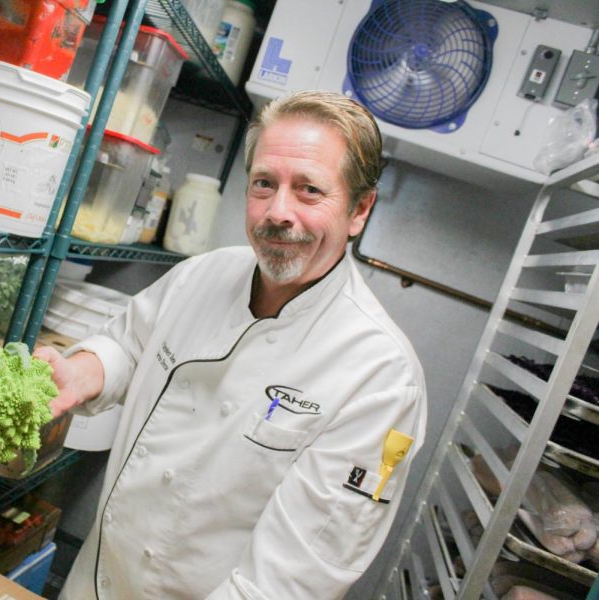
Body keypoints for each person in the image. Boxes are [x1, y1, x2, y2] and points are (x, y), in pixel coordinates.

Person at [35, 90, 428, 599]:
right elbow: (128, 345)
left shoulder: (379, 377)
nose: (278, 212)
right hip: (96, 581)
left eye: (310, 190)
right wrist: (83, 371)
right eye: (265, 184)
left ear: (360, 209)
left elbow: (288, 582)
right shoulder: (203, 273)